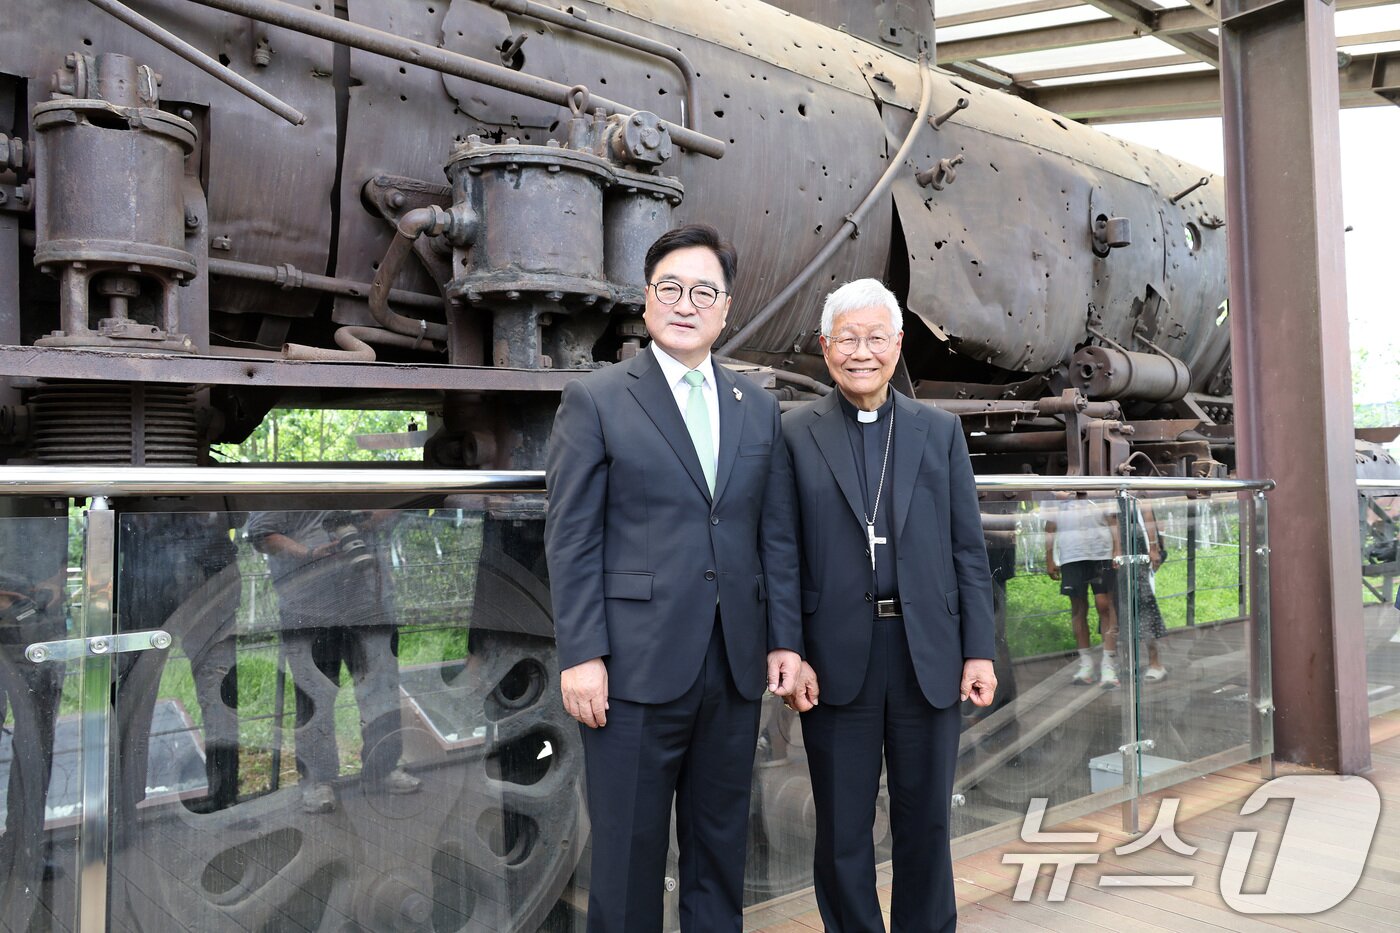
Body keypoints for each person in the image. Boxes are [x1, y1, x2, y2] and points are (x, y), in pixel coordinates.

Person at [544, 223, 803, 931]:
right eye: (671, 288)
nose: (686, 303)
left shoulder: (757, 407)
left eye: (704, 292)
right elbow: (570, 535)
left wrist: (784, 638)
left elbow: (772, 534)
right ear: (647, 300)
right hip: (631, 666)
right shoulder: (596, 398)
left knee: (720, 852)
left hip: (732, 662)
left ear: (725, 309)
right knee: (626, 859)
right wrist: (582, 653)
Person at [782, 278, 996, 933]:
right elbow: (779, 551)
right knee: (843, 827)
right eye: (848, 338)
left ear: (897, 344)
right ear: (826, 347)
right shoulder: (794, 432)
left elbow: (968, 547)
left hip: (925, 649)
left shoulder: (939, 431)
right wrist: (790, 648)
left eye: (876, 337)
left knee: (926, 818)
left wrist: (979, 648)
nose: (862, 352)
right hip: (835, 654)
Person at [247, 508, 421, 813]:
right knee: (315, 695)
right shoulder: (284, 482)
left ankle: (382, 769)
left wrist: (365, 520)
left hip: (369, 602)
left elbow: (398, 506)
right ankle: (317, 780)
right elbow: (261, 535)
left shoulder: (362, 474)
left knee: (381, 688)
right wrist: (309, 553)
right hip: (307, 610)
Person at [1044, 493, 1121, 686]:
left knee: (1104, 605)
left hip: (1101, 551)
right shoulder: (1054, 488)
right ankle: (1085, 663)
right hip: (1071, 554)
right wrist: (1049, 558)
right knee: (1078, 608)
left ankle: (1108, 663)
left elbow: (1113, 519)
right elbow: (1050, 525)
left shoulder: (1098, 479)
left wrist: (1117, 549)